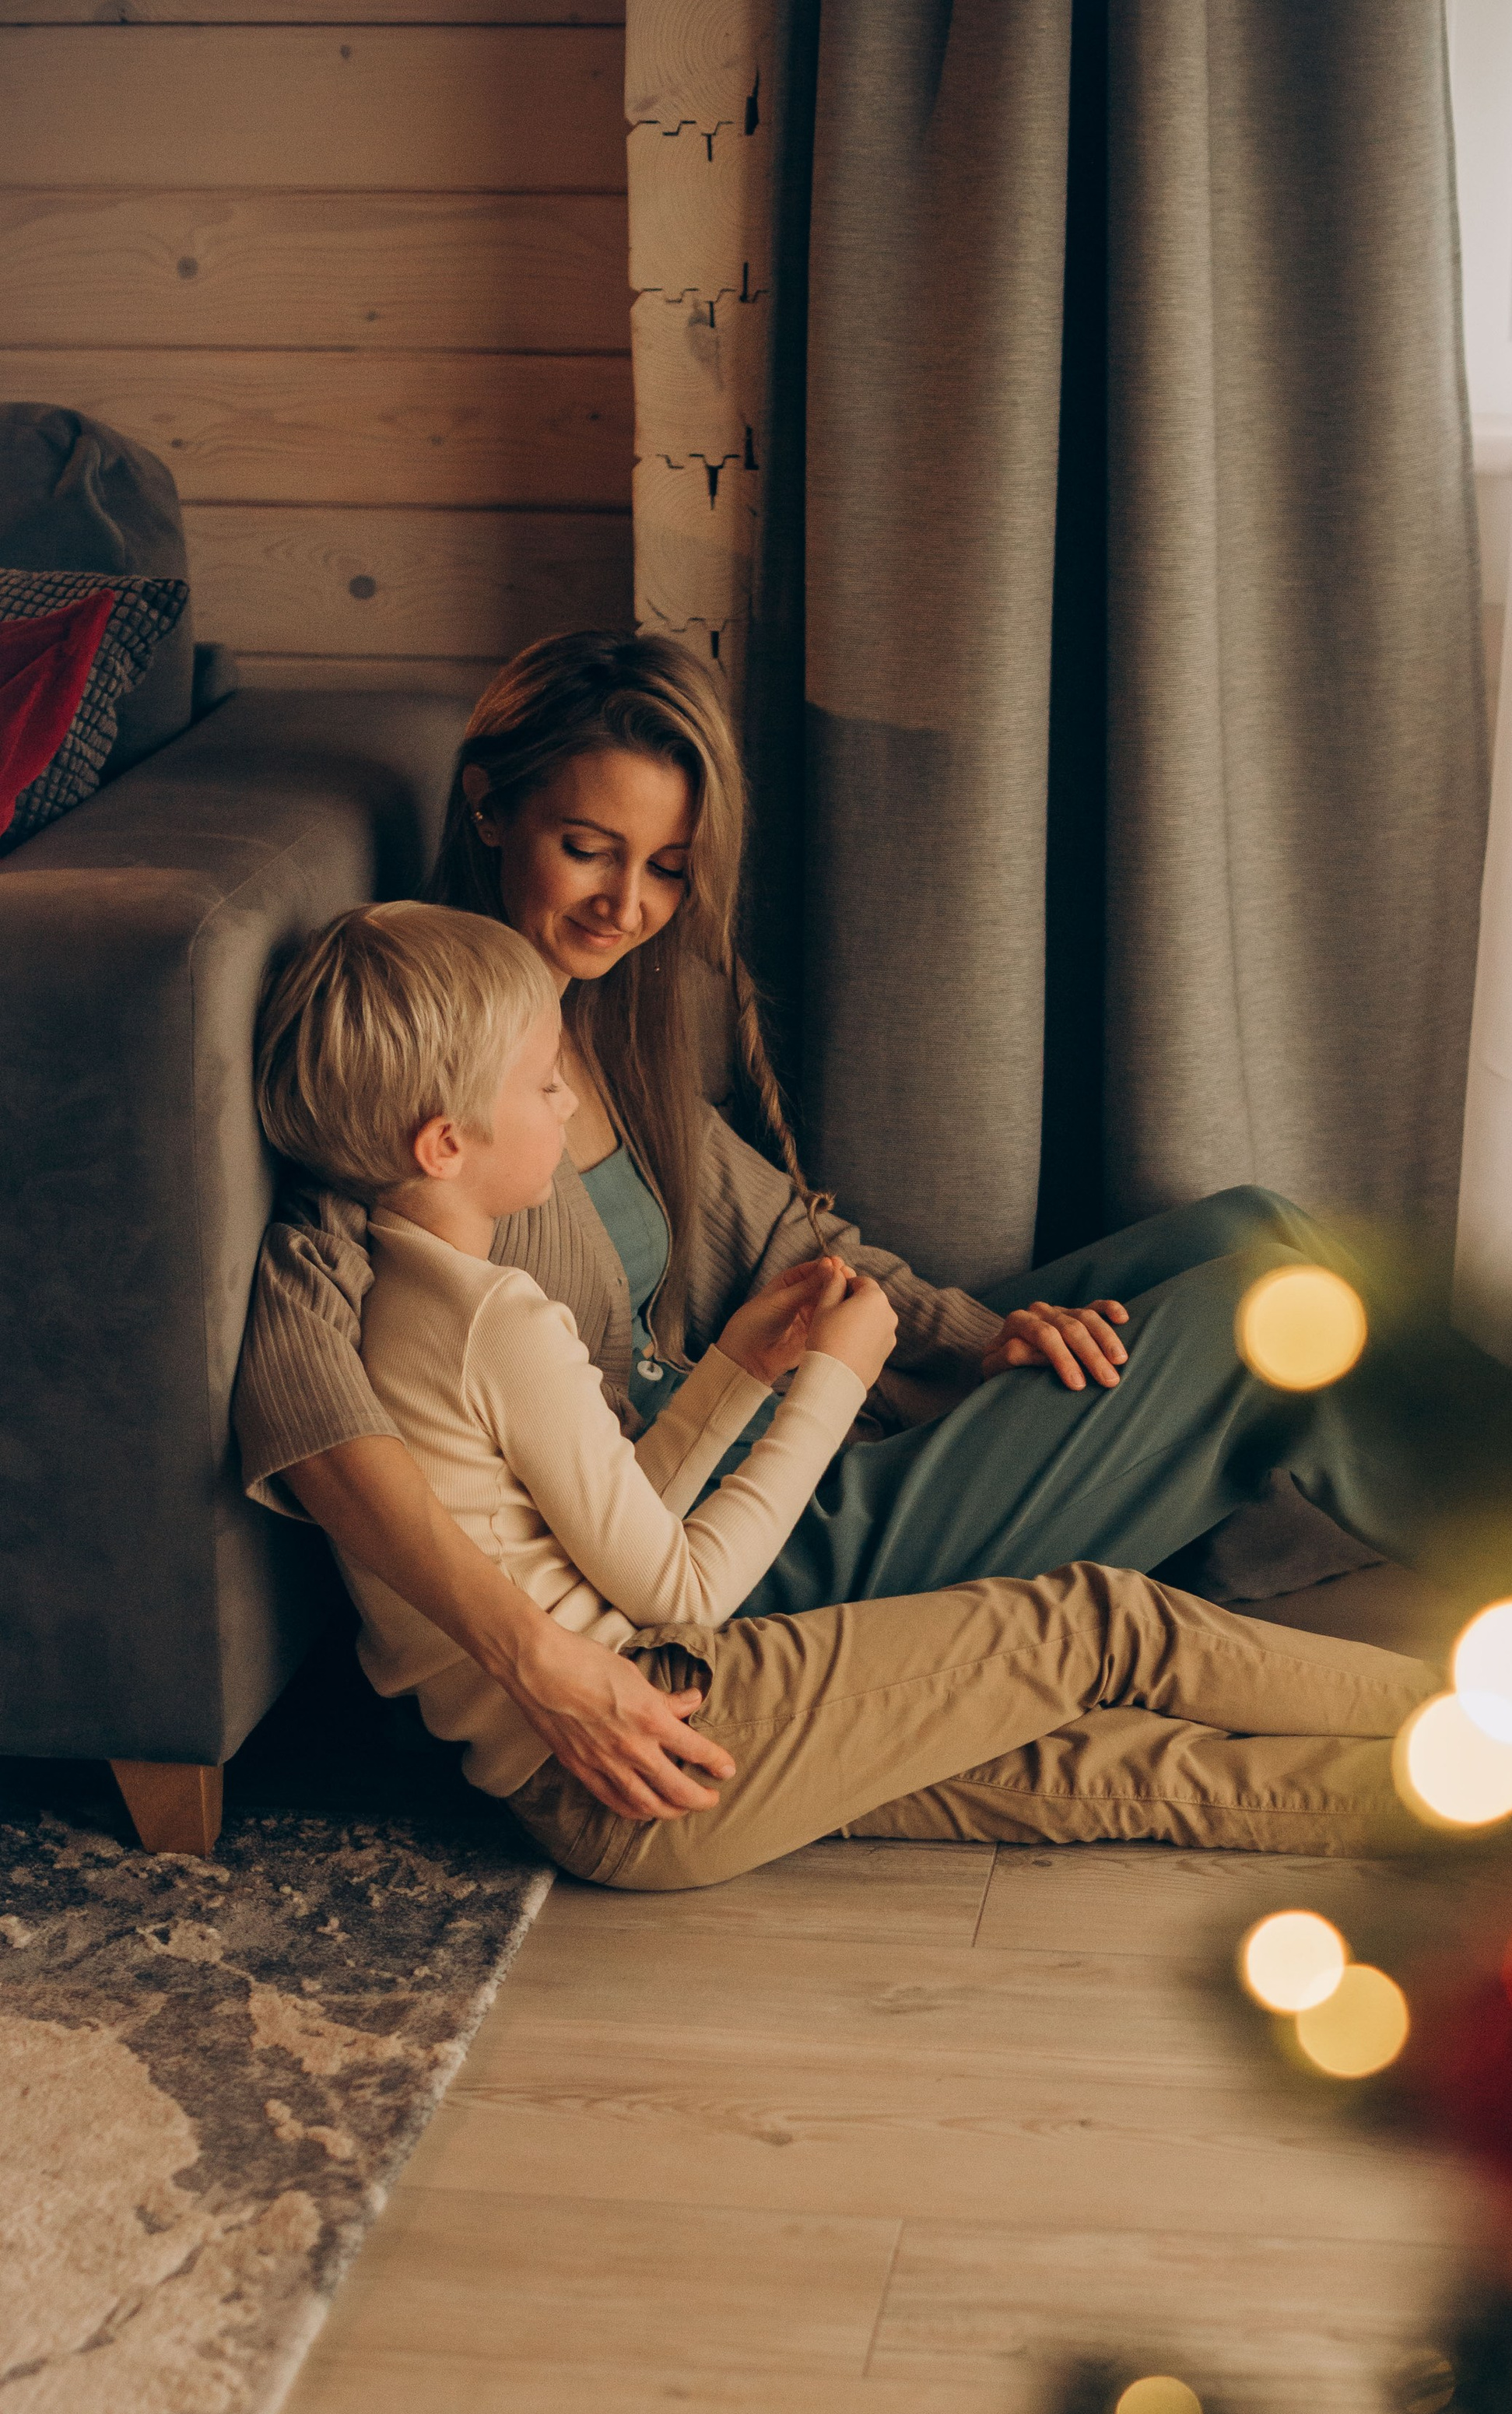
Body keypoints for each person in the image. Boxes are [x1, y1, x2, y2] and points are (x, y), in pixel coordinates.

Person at [233, 629, 1415, 1837]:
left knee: (1258, 1227)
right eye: (586, 849)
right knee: (1254, 1312)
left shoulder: (597, 1037)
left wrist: (984, 1337)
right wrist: (533, 1654)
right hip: (720, 1563)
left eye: (668, 868)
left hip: (743, 1452)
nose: (624, 904)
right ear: (491, 810)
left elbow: (795, 1240)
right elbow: (316, 1417)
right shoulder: (412, 1084)